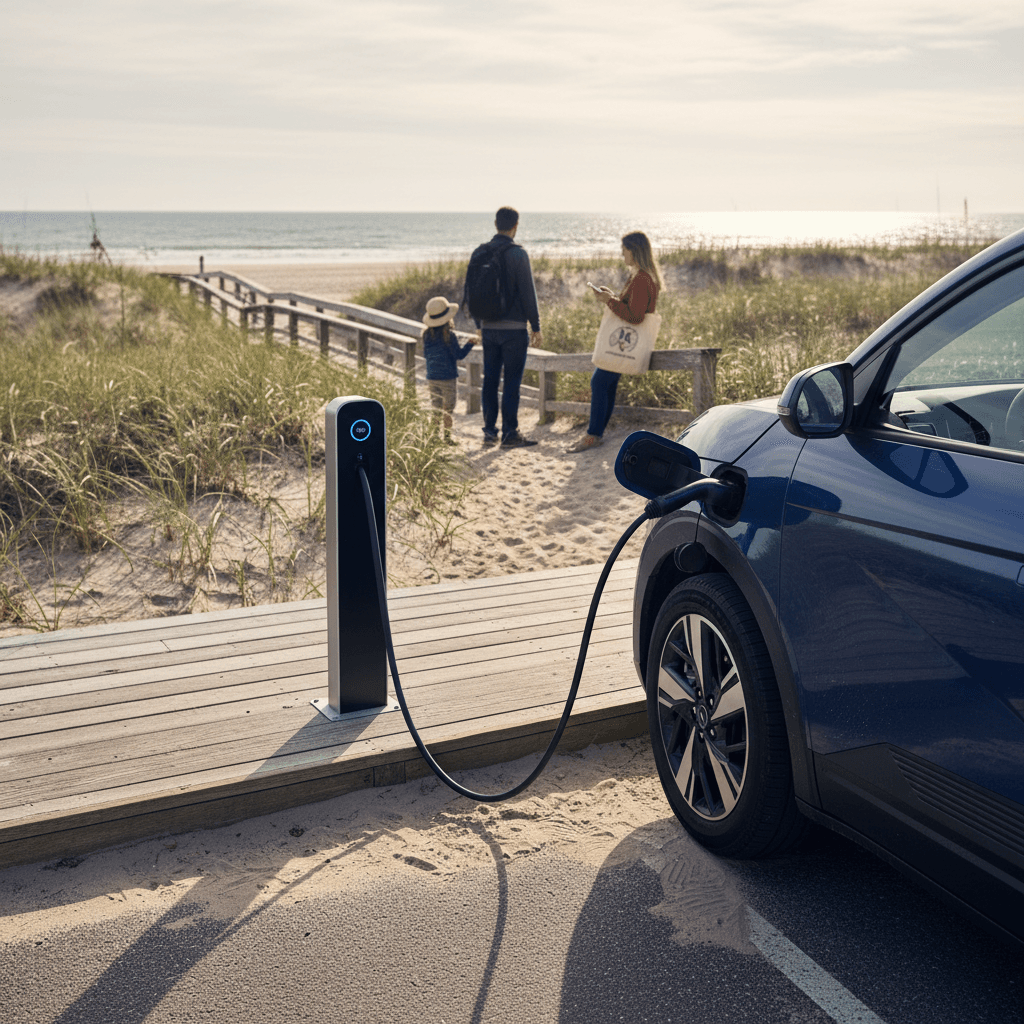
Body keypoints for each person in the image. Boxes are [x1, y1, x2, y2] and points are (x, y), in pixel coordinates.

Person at [568, 231, 663, 452]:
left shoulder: (641, 278)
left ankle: (594, 435)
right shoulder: (641, 276)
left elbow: (636, 316)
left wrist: (609, 301)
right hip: (626, 343)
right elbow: (632, 307)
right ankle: (596, 433)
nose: (622, 256)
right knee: (605, 383)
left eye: (624, 251)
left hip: (624, 341)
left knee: (599, 382)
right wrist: (612, 297)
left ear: (634, 251)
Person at [464, 206, 542, 448]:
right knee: (511, 383)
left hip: (488, 328)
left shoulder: (480, 251)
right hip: (514, 330)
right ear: (515, 226)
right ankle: (509, 433)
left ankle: (489, 432)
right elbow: (528, 293)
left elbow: (470, 290)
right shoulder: (518, 254)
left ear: (495, 224)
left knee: (489, 380)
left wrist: (479, 323)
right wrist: (536, 326)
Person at [421, 296, 476, 444]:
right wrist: (470, 343)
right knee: (448, 409)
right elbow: (459, 355)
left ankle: (433, 437)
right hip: (447, 378)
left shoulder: (426, 335)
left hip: (432, 376)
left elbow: (426, 354)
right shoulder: (449, 336)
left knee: (436, 408)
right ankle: (446, 438)